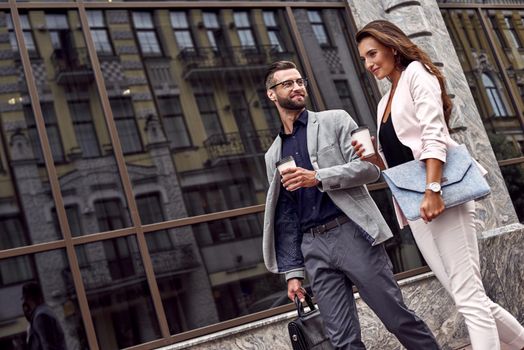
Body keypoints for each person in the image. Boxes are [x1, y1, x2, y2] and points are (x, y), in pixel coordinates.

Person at [354, 20, 524, 350]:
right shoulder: (382, 101)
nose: (369, 63)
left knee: (469, 296)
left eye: (372, 53)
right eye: (363, 58)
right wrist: (375, 159)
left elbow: (434, 135)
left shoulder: (418, 73)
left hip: (441, 192)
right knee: (465, 296)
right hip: (413, 203)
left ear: (392, 46)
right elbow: (402, 158)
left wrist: (433, 190)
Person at [261, 60, 440, 349]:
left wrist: (317, 177)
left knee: (397, 319)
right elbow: (287, 216)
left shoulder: (335, 121)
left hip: (352, 234)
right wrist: (293, 273)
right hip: (313, 248)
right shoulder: (273, 154)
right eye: (287, 83)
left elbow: (370, 169)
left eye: (299, 81)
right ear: (271, 94)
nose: (297, 87)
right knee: (342, 341)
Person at [22, 281, 67, 350]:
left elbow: (49, 345)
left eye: (24, 300)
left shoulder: (41, 316)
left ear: (28, 299)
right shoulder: (44, 311)